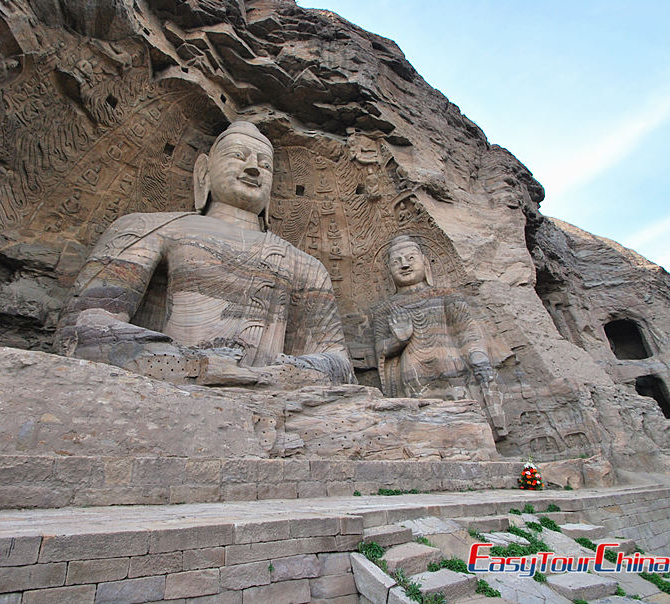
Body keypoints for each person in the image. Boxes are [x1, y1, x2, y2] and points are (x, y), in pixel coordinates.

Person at [55, 121, 354, 384]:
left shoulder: (306, 264)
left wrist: (283, 372)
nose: (253, 168)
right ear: (204, 172)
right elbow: (80, 329)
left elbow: (338, 363)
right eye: (238, 156)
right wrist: (195, 364)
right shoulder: (152, 228)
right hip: (170, 384)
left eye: (265, 164)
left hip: (272, 389)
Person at [372, 235, 506, 434]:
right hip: (413, 375)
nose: (404, 265)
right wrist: (399, 340)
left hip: (453, 368)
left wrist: (479, 359)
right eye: (396, 262)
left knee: (466, 421)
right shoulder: (385, 308)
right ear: (388, 272)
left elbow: (467, 333)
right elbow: (380, 350)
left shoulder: (448, 296)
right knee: (424, 426)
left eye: (410, 258)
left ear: (425, 263)